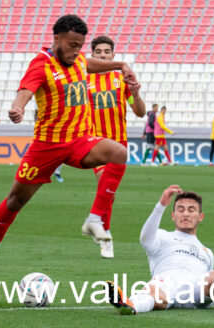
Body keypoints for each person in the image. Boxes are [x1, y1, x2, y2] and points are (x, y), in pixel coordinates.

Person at [0, 14, 140, 275]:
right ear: (57, 39)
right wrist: (18, 108)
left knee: (119, 153)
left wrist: (121, 65)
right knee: (15, 201)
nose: (76, 51)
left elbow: (88, 63)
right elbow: (26, 90)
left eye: (80, 45)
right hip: (47, 147)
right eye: (72, 45)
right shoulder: (42, 63)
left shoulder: (78, 58)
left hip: (80, 139)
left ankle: (94, 219)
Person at [107, 185, 214, 315]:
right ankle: (130, 306)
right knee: (151, 291)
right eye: (180, 210)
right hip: (165, 285)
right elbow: (145, 239)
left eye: (191, 210)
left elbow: (213, 292)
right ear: (173, 216)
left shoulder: (207, 253)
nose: (186, 214)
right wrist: (161, 204)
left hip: (194, 290)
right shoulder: (161, 236)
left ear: (200, 216)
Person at [81, 35, 146, 258]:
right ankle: (105, 236)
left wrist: (136, 94)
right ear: (92, 54)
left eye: (106, 52)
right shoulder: (83, 80)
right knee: (104, 185)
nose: (102, 55)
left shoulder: (121, 80)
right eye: (98, 52)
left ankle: (101, 227)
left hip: (119, 145)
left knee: (111, 194)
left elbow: (139, 112)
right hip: (95, 144)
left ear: (113, 55)